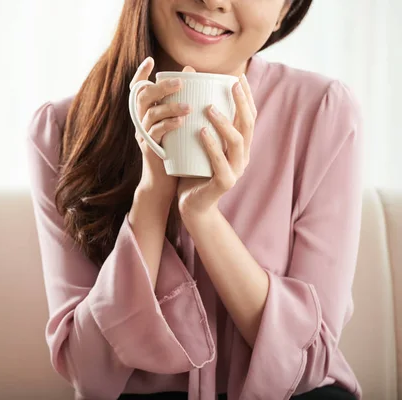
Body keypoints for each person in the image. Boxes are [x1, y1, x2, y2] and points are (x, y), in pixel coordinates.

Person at [26, 0, 363, 399]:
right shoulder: (63, 130)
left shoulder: (321, 113)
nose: (215, 1)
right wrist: (152, 196)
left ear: (284, 11)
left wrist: (202, 215)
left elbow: (311, 359)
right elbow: (90, 375)